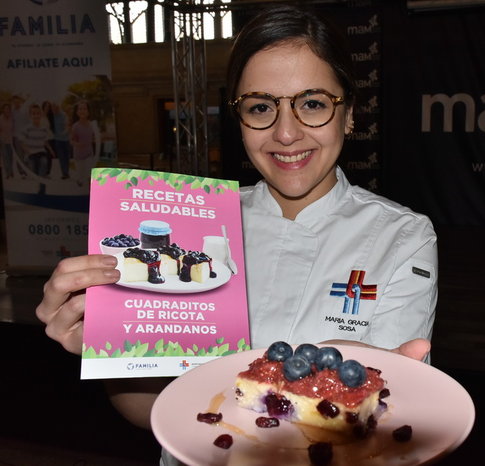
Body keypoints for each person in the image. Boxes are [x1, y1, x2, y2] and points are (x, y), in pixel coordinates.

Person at [36, 4, 437, 461]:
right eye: (262, 107)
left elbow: (379, 425)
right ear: (239, 118)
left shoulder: (403, 236)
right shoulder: (201, 228)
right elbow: (144, 410)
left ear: (348, 113)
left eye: (312, 103)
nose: (286, 133)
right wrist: (115, 344)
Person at [70, 100, 98, 186]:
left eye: (85, 109)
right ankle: (80, 181)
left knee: (89, 172)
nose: (82, 111)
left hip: (89, 154)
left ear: (88, 112)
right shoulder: (75, 126)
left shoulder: (92, 125)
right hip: (78, 155)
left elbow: (95, 137)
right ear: (77, 112)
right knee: (80, 174)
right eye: (80, 109)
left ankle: (90, 189)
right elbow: (72, 140)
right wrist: (77, 144)